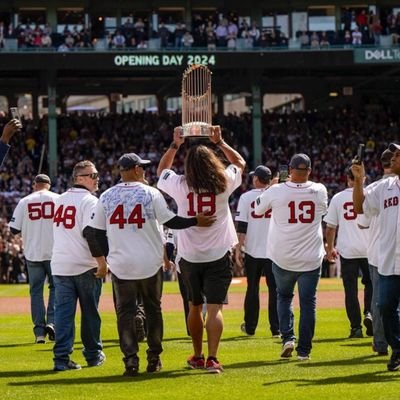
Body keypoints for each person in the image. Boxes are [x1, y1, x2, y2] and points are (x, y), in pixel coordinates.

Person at [85, 153, 215, 377]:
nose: (145, 171)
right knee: (153, 310)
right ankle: (154, 358)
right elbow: (170, 220)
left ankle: (130, 361)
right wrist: (196, 221)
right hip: (149, 263)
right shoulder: (150, 192)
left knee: (124, 313)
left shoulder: (106, 196)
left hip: (122, 265)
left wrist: (109, 256)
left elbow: (93, 232)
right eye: (142, 168)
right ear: (135, 169)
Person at [157, 126, 245, 373]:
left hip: (189, 255)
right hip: (218, 253)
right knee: (215, 308)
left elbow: (162, 171)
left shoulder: (180, 185)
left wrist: (175, 145)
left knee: (195, 306)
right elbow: (240, 162)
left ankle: (197, 355)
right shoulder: (223, 183)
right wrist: (221, 142)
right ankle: (213, 358)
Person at [255, 153, 328, 361]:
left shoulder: (277, 190)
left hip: (283, 256)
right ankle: (304, 352)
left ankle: (288, 338)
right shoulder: (319, 189)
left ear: (291, 169)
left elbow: (259, 209)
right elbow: (322, 212)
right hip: (310, 257)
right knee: (308, 303)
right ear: (309, 171)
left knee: (284, 297)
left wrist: (275, 186)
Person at [51, 160, 107, 371]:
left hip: (60, 264)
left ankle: (61, 360)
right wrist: (101, 262)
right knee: (90, 313)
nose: (97, 178)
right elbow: (91, 233)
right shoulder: (90, 201)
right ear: (79, 178)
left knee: (63, 315)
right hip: (85, 264)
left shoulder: (59, 200)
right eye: (93, 175)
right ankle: (93, 354)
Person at [352, 143, 400, 371]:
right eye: (393, 155)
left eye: (398, 155)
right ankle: (397, 349)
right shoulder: (383, 187)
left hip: (385, 258)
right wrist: (359, 181)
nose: (393, 159)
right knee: (385, 307)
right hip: (389, 261)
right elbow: (360, 208)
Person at [9, 174, 59, 343]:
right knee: (56, 289)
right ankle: (52, 322)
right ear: (49, 185)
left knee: (36, 292)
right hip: (55, 253)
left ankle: (39, 332)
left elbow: (14, 229)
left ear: (34, 185)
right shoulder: (58, 199)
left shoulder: (24, 201)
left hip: (33, 253)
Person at [324, 167, 372, 339]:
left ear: (347, 178)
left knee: (350, 290)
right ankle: (369, 313)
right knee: (371, 284)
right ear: (363, 178)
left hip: (347, 249)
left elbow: (330, 227)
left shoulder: (338, 198)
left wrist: (330, 248)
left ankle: (356, 328)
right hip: (369, 248)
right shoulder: (370, 194)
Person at [234, 165, 280, 337]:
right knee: (275, 290)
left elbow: (242, 227)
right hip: (273, 250)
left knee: (252, 289)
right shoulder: (276, 194)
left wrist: (239, 249)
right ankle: (276, 328)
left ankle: (251, 326)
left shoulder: (246, 197)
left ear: (256, 179)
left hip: (253, 250)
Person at [357, 149, 394, 355]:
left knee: (379, 301)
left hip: (378, 253)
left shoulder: (372, 189)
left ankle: (380, 343)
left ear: (381, 164)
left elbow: (362, 223)